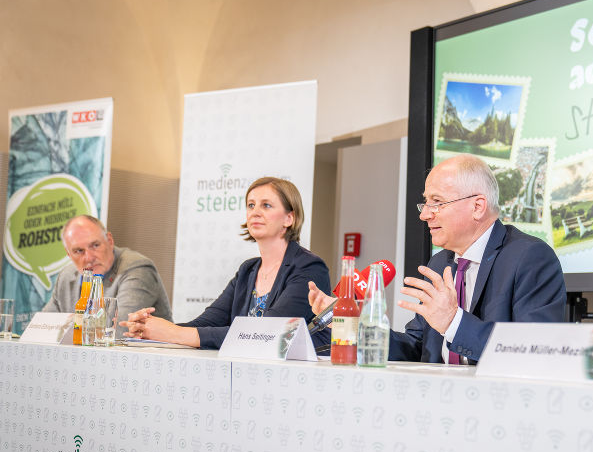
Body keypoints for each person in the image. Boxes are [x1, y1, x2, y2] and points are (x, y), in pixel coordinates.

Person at [308, 154, 567, 363]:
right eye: (426, 203)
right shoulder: (440, 263)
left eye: (437, 202)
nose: (425, 215)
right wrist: (353, 328)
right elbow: (415, 347)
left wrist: (453, 322)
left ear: (477, 206)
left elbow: (533, 353)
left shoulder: (530, 257)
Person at [122, 177, 330, 349]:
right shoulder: (248, 270)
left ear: (289, 218)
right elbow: (206, 323)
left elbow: (265, 334)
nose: (255, 212)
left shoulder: (309, 267)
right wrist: (151, 329)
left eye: (266, 205)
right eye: (251, 205)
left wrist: (173, 333)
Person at [44, 215, 172, 329]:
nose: (89, 257)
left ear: (109, 241)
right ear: (69, 254)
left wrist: (70, 324)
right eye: (78, 251)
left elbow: (118, 329)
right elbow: (43, 326)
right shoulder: (66, 276)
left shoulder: (137, 269)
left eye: (95, 245)